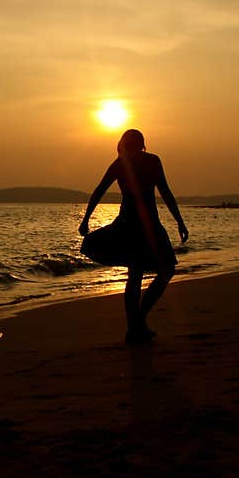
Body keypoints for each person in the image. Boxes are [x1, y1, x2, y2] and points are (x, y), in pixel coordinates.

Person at [78, 129, 188, 343]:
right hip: (128, 224)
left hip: (151, 225)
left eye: (135, 145)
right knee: (135, 274)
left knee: (167, 270)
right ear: (122, 146)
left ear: (142, 145)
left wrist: (180, 221)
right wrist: (85, 219)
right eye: (127, 146)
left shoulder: (154, 161)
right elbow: (99, 190)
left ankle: (139, 319)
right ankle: (135, 328)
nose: (131, 150)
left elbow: (165, 191)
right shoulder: (119, 164)